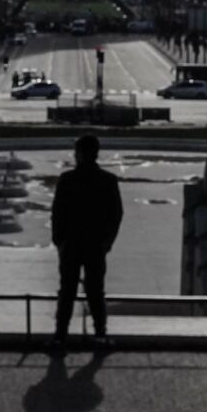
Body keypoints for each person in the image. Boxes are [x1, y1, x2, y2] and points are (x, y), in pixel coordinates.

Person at [51, 133, 123, 347]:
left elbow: (57, 213)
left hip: (72, 243)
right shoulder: (108, 180)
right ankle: (100, 334)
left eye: (76, 152)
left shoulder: (67, 180)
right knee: (95, 292)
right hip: (95, 244)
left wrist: (59, 241)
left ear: (81, 154)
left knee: (67, 291)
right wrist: (107, 241)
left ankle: (60, 336)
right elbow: (116, 214)